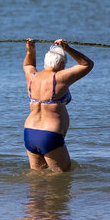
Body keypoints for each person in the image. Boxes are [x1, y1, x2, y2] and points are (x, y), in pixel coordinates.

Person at [22, 38, 93, 172]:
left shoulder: (32, 76)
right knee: (61, 178)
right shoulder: (59, 78)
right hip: (49, 134)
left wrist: (31, 50)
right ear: (61, 64)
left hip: (30, 132)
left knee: (36, 178)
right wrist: (67, 48)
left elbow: (27, 65)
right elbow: (87, 64)